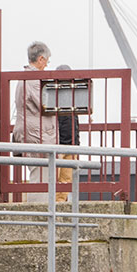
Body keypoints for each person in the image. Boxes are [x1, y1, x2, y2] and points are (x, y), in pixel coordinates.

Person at [13, 41, 57, 201]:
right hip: (38, 135)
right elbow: (46, 103)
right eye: (47, 61)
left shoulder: (24, 78)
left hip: (30, 132)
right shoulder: (34, 79)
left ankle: (40, 210)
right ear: (41, 59)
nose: (46, 66)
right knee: (40, 176)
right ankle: (38, 212)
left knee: (39, 174)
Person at [55, 64, 81, 203]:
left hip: (67, 143)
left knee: (64, 180)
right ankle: (58, 206)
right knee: (62, 179)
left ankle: (59, 205)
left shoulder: (69, 96)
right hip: (65, 143)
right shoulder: (56, 95)